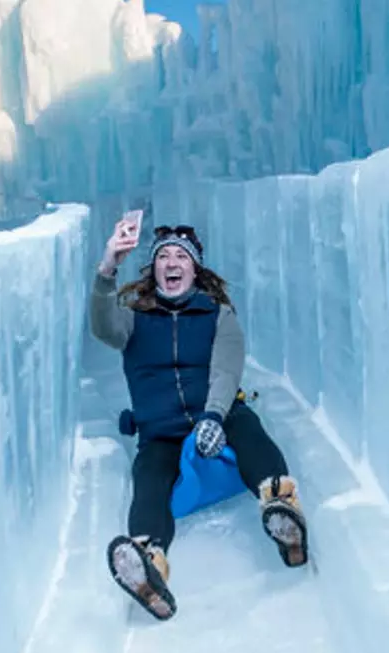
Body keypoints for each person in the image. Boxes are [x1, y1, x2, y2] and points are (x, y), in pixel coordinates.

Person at [89, 213, 309, 621]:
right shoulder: (133, 316)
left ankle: (280, 503)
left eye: (181, 257)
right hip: (161, 434)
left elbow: (227, 368)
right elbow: (102, 327)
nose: (172, 262)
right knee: (150, 477)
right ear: (153, 269)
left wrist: (213, 416)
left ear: (195, 268)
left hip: (218, 416)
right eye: (163, 257)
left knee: (248, 428)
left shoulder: (217, 313)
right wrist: (108, 265)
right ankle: (149, 560)